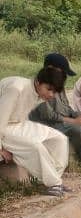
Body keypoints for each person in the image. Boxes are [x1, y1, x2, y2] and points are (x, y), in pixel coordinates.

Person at [28, 53, 81, 174]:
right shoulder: (41, 85)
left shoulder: (58, 84)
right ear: (51, 68)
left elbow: (66, 107)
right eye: (63, 71)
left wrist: (77, 115)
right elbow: (49, 116)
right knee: (78, 129)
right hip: (47, 125)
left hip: (63, 121)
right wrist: (74, 121)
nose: (65, 75)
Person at [0, 67, 70, 196]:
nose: (51, 95)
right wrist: (1, 149)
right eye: (49, 89)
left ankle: (55, 180)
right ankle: (53, 183)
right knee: (35, 146)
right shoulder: (16, 88)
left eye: (54, 92)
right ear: (38, 82)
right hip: (3, 126)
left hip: (18, 124)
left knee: (59, 139)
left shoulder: (37, 92)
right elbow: (1, 120)